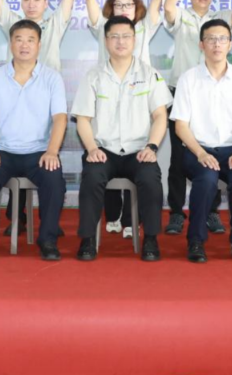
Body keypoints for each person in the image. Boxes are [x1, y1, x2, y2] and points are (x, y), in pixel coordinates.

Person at [161, 0, 232, 237]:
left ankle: (211, 211)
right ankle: (176, 212)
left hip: (216, 90)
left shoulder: (220, 19)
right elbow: (168, 6)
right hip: (183, 92)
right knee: (178, 156)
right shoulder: (182, 16)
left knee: (214, 148)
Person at [73, 16, 170, 263]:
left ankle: (150, 238)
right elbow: (83, 118)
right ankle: (87, 239)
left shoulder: (150, 74)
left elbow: (160, 116)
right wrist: (92, 149)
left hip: (139, 150)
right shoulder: (93, 76)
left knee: (151, 180)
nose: (120, 41)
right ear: (106, 41)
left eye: (126, 36)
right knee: (92, 178)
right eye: (114, 36)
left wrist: (152, 147)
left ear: (134, 40)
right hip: (103, 150)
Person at [0, 20, 68, 261]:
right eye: (19, 39)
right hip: (2, 151)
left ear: (39, 45)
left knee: (54, 178)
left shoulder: (52, 78)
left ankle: (48, 240)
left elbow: (60, 118)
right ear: (11, 43)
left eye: (30, 40)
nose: (24, 45)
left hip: (39, 152)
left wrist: (52, 151)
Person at [83, 0, 164, 236]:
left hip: (139, 98)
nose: (123, 9)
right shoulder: (104, 27)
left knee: (137, 155)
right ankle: (113, 215)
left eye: (128, 5)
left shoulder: (144, 26)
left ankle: (132, 220)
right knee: (105, 150)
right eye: (118, 5)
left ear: (136, 8)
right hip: (108, 93)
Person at [170, 18, 232, 264]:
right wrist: (201, 153)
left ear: (230, 44)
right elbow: (181, 126)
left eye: (222, 39)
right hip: (199, 149)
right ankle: (196, 240)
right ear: (201, 45)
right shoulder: (188, 79)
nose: (217, 44)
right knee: (206, 178)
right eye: (211, 39)